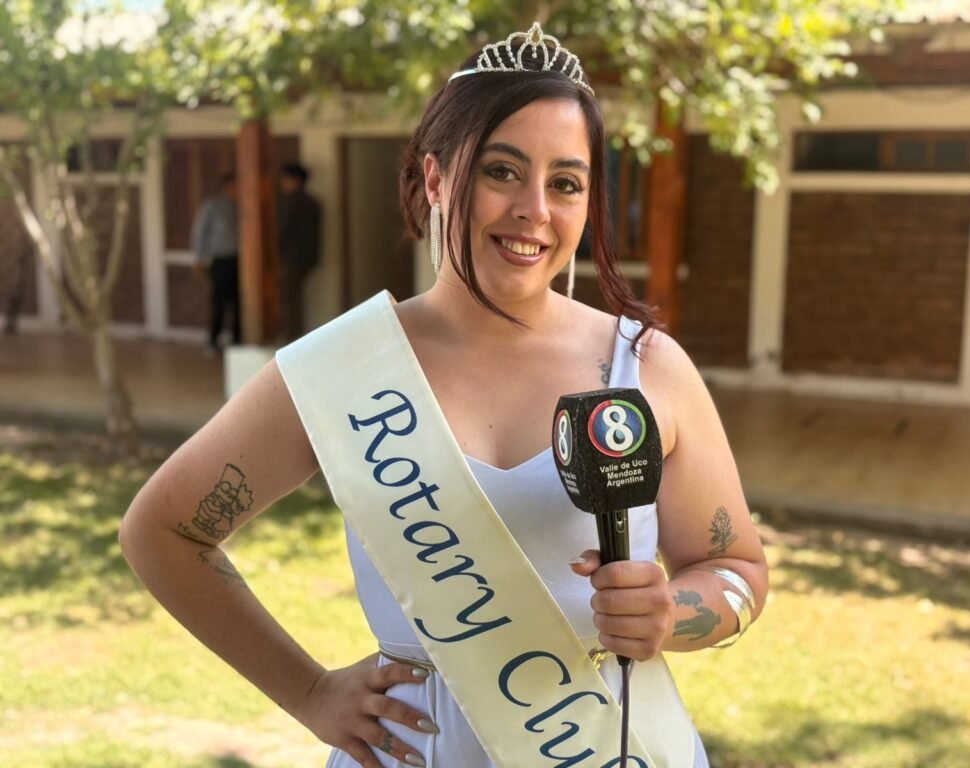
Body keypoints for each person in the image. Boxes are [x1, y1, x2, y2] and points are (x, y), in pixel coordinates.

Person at [122, 23, 768, 768]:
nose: (534, 209)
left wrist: (673, 614)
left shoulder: (646, 367)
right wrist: (309, 693)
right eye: (502, 171)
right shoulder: (343, 370)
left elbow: (737, 568)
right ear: (435, 179)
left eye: (565, 182)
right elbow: (161, 531)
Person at [191, 173, 240, 353]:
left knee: (239, 302)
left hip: (239, 260)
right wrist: (199, 258)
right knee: (219, 301)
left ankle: (238, 340)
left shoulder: (243, 206)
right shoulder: (212, 206)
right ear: (226, 187)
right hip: (220, 259)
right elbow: (200, 232)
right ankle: (213, 340)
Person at [278, 162, 322, 342]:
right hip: (306, 258)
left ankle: (290, 337)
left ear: (295, 180)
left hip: (290, 257)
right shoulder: (313, 202)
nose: (283, 183)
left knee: (288, 299)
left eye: (285, 179)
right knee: (294, 298)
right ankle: (294, 335)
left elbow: (281, 229)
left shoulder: (291, 202)